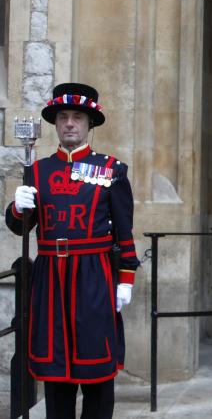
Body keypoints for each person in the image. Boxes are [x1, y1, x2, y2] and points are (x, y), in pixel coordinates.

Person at [6, 82, 139, 419]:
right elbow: (21, 227)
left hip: (93, 277)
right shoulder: (37, 171)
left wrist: (126, 277)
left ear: (89, 124)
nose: (69, 124)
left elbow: (124, 231)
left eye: (77, 117)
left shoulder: (111, 170)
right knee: (55, 371)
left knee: (96, 372)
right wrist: (17, 208)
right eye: (63, 117)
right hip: (50, 280)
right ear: (55, 123)